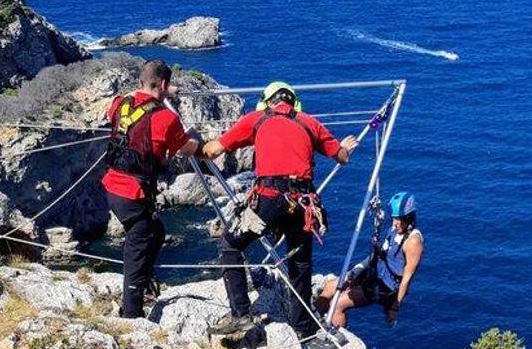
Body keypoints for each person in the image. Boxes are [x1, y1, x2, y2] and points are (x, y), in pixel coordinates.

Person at [202, 81, 359, 343]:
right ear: (293, 103)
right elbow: (341, 156)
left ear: (268, 102)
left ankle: (240, 314)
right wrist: (344, 146)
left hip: (270, 200)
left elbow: (213, 149)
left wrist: (196, 144)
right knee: (299, 263)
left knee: (231, 244)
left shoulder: (257, 119)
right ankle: (303, 329)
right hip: (304, 205)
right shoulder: (310, 122)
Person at [102, 59, 202, 319]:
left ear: (140, 82)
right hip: (133, 193)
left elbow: (118, 103)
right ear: (165, 85)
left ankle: (143, 284)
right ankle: (131, 314)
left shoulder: (118, 105)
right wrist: (197, 139)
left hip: (112, 187)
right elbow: (186, 149)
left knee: (156, 232)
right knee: (139, 245)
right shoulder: (167, 118)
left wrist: (160, 91)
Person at [315, 191, 424, 329]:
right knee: (330, 286)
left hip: (384, 289)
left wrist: (395, 307)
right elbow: (377, 255)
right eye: (394, 218)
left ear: (408, 218)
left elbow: (407, 278)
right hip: (374, 275)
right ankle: (312, 321)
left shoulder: (413, 241)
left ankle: (333, 334)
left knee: (337, 304)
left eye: (399, 219)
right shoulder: (395, 229)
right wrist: (354, 272)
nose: (395, 223)